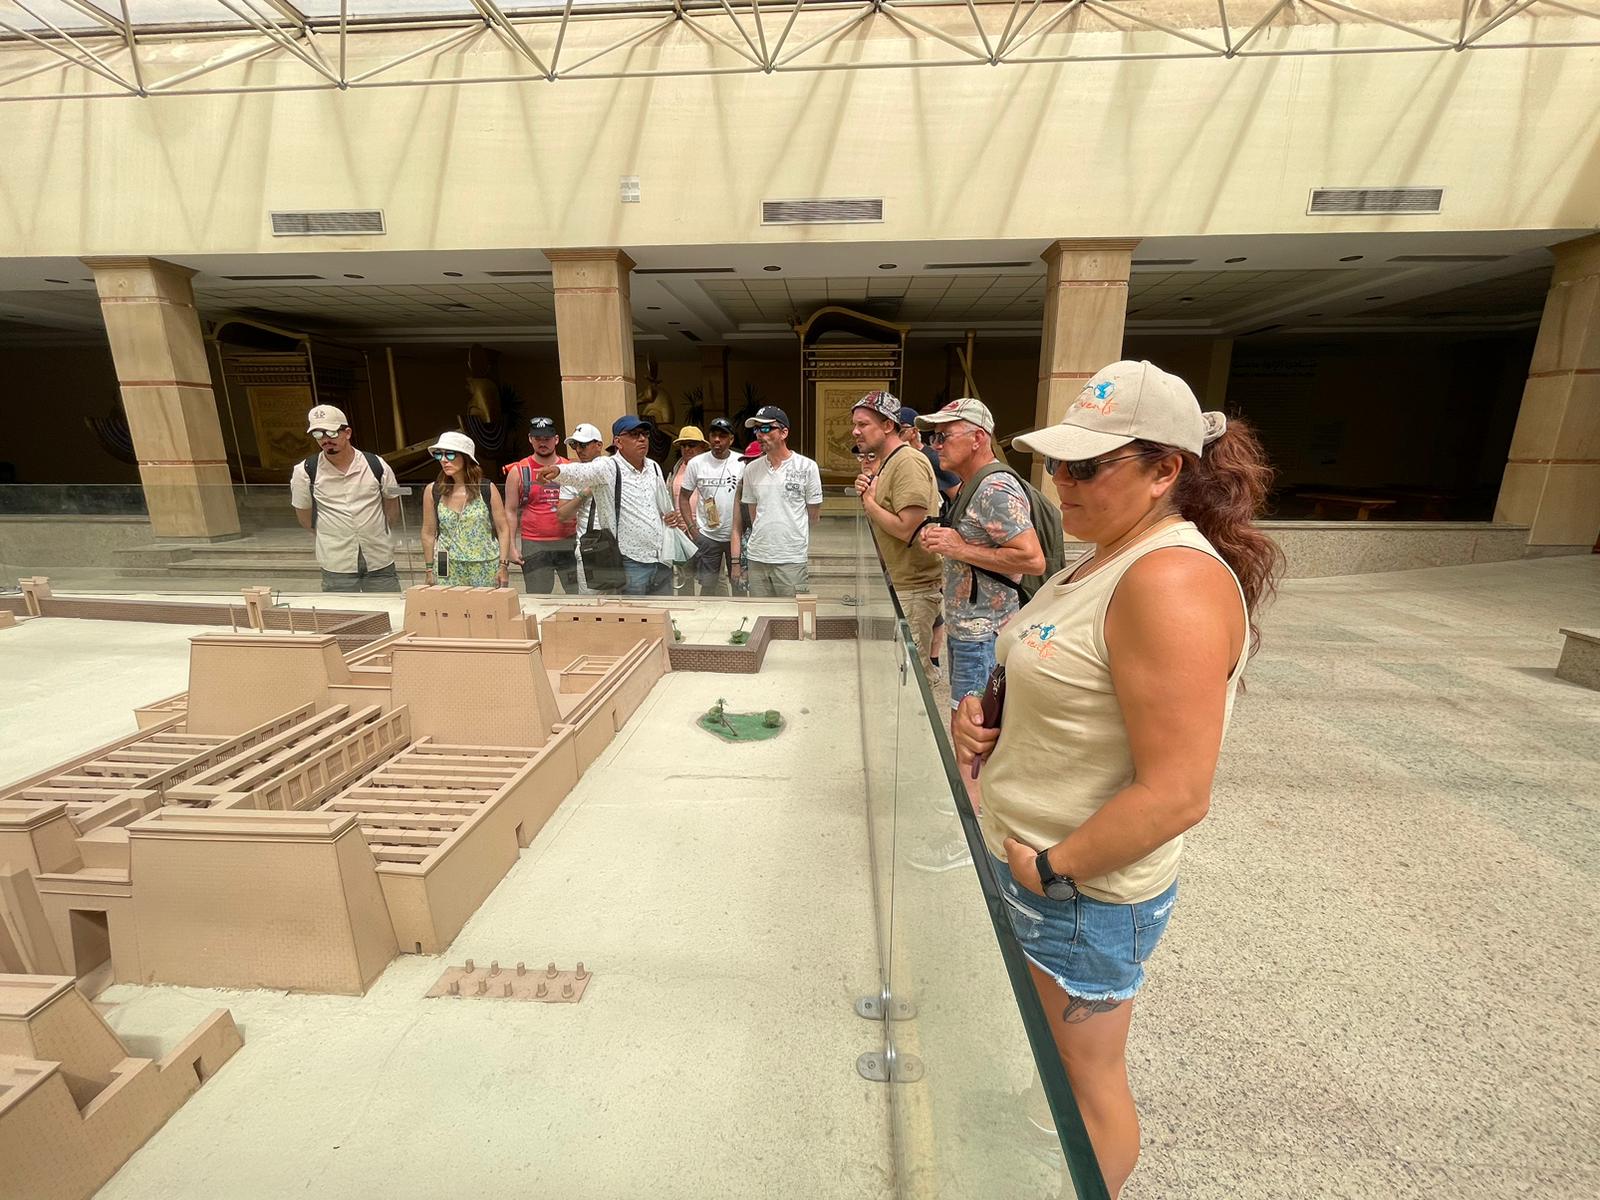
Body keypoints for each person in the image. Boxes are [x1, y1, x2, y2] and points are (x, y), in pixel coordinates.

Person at [950, 361, 1281, 1198]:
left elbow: (1177, 792)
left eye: (1088, 467)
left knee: (1088, 1086)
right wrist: (985, 722)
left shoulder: (1168, 579)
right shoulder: (1102, 557)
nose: (1062, 484)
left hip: (1081, 889)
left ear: (1165, 469)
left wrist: (1051, 867)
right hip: (1044, 864)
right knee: (1058, 1068)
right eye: (1057, 464)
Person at [915, 398, 1044, 718]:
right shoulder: (973, 484)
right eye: (933, 437)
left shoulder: (994, 489)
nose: (936, 445)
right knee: (967, 720)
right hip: (968, 629)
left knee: (971, 724)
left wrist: (959, 549)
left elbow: (1032, 559)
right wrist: (944, 540)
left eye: (944, 436)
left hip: (983, 634)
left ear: (978, 438)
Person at [538, 415, 687, 596]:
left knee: (663, 611)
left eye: (645, 434)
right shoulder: (608, 466)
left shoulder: (654, 467)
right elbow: (582, 471)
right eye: (634, 434)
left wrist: (669, 516)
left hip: (660, 557)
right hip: (630, 561)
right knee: (633, 612)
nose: (642, 439)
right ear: (618, 442)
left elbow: (661, 505)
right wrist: (557, 471)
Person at [851, 390, 943, 679]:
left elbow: (908, 528)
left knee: (913, 676)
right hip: (899, 582)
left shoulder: (908, 462)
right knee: (899, 671)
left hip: (913, 587)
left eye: (863, 424)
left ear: (888, 425)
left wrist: (869, 502)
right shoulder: (888, 462)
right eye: (855, 424)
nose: (855, 431)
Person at [290, 404, 404, 593]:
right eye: (318, 434)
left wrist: (378, 531)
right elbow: (304, 517)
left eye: (332, 433)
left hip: (379, 558)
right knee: (342, 610)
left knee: (387, 607)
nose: (326, 440)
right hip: (336, 561)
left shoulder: (376, 464)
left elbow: (392, 507)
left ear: (347, 433)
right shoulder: (305, 471)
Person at [729, 406, 822, 597]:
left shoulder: (807, 467)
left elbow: (813, 517)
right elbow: (754, 515)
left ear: (784, 432)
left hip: (791, 559)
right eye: (756, 429)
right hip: (757, 557)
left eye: (765, 428)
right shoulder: (751, 469)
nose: (759, 434)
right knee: (761, 612)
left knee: (792, 613)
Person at [420, 432, 511, 588]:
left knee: (484, 603)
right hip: (448, 566)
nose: (443, 460)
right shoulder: (434, 491)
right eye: (439, 455)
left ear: (465, 458)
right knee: (449, 603)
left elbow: (503, 529)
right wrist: (429, 569)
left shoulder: (486, 488)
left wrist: (503, 566)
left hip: (485, 566)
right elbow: (428, 532)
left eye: (449, 454)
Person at [504, 416, 578, 595]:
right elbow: (510, 511)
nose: (543, 443)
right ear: (530, 439)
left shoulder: (571, 468)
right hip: (534, 543)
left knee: (578, 594)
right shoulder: (519, 471)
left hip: (569, 540)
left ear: (556, 439)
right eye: (538, 438)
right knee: (537, 596)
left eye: (547, 438)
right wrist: (510, 546)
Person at [677, 417, 744, 595]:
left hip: (735, 536)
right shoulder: (696, 463)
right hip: (707, 537)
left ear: (731, 439)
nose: (717, 440)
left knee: (739, 586)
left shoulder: (742, 462)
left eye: (722, 436)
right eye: (713, 435)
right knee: (707, 587)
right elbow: (683, 498)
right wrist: (693, 530)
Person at [556, 423, 607, 592]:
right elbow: (562, 515)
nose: (578, 449)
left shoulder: (612, 468)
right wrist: (584, 493)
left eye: (583, 445)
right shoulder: (572, 474)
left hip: (619, 546)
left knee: (625, 603)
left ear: (598, 445)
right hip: (590, 548)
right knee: (591, 604)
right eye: (574, 445)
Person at [668, 426, 710, 596]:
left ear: (702, 447)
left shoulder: (710, 467)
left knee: (713, 578)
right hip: (681, 532)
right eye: (683, 445)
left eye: (691, 444)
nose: (687, 449)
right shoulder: (677, 467)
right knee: (684, 578)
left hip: (705, 531)